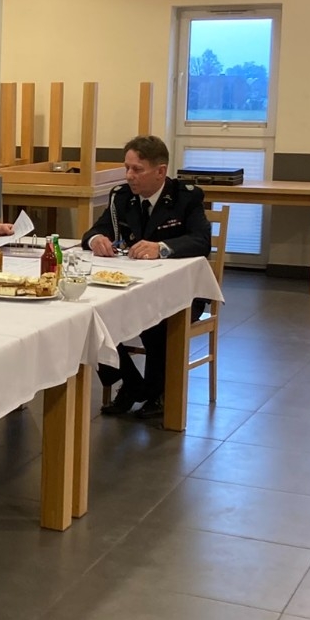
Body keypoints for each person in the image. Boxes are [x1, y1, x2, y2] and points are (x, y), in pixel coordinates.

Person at [82, 135, 211, 419]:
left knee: (157, 321)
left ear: (160, 171)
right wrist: (96, 240)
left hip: (180, 292)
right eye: (126, 167)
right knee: (90, 317)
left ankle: (158, 393)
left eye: (137, 169)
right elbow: (94, 231)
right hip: (132, 286)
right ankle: (131, 384)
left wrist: (162, 248)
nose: (129, 175)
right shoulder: (121, 197)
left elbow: (201, 241)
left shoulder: (185, 197)